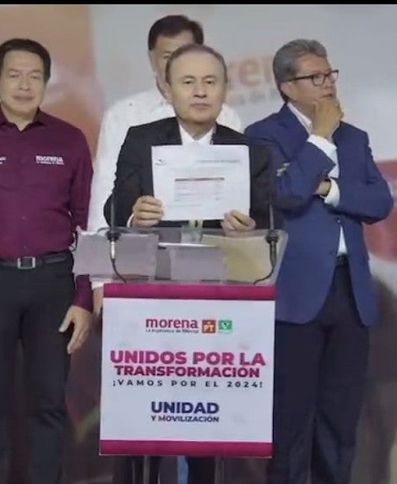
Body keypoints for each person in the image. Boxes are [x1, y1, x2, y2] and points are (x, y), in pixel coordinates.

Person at [105, 43, 272, 484]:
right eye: (188, 82)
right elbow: (113, 207)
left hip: (220, 303)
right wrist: (133, 215)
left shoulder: (250, 150)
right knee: (145, 417)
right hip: (153, 301)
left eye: (210, 82)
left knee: (208, 420)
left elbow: (270, 221)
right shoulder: (141, 139)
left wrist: (250, 227)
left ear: (225, 89)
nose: (200, 92)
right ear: (168, 89)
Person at [0, 38, 93, 484]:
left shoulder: (70, 139)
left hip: (54, 283)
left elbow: (88, 226)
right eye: (14, 75)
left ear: (46, 83)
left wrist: (83, 297)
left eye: (35, 76)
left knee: (49, 402)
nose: (24, 85)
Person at [244, 39, 393, 484]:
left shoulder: (355, 137)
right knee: (290, 421)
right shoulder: (263, 135)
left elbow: (379, 203)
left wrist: (330, 189)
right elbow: (286, 193)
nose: (328, 84)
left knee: (340, 422)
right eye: (316, 77)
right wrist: (321, 136)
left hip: (351, 292)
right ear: (287, 87)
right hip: (295, 294)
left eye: (330, 75)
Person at [88, 14, 242, 236]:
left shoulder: (226, 116)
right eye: (168, 56)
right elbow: (106, 185)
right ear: (152, 60)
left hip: (215, 241)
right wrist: (104, 241)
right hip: (147, 244)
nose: (176, 64)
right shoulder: (124, 115)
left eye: (185, 53)